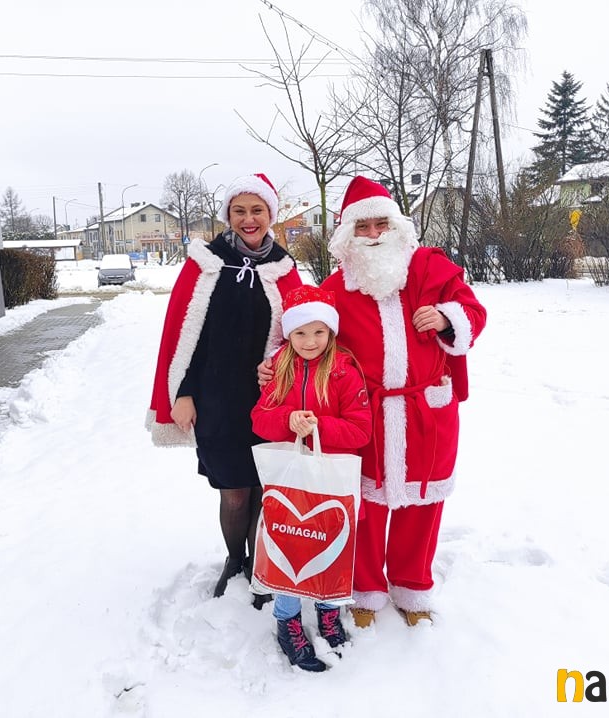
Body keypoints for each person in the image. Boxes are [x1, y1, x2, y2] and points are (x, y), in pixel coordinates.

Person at [264, 176, 486, 628]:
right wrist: (275, 365)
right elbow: (308, 334)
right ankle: (365, 589)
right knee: (365, 503)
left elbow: (473, 314)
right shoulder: (335, 286)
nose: (373, 234)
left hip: (426, 409)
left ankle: (412, 586)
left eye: (380, 224)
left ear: (396, 225)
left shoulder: (430, 268)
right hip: (365, 411)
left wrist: (446, 318)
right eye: (362, 227)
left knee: (422, 503)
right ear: (348, 234)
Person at [147, 173, 302, 603]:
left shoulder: (284, 270)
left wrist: (282, 371)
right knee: (234, 493)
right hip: (216, 400)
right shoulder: (205, 265)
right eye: (239, 211)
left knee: (265, 490)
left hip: (268, 401)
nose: (249, 219)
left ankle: (260, 565)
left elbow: (302, 334)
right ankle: (236, 559)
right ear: (228, 215)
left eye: (257, 210)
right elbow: (181, 336)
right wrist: (182, 392)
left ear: (271, 215)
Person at [250, 285, 372, 672]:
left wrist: (321, 426)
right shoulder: (280, 367)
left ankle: (328, 611)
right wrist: (288, 420)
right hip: (292, 484)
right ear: (289, 333)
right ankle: (287, 620)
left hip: (333, 483)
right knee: (291, 549)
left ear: (331, 331)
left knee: (333, 550)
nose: (309, 341)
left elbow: (361, 430)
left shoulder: (344, 371)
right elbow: (259, 419)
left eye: (319, 332)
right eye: (300, 332)